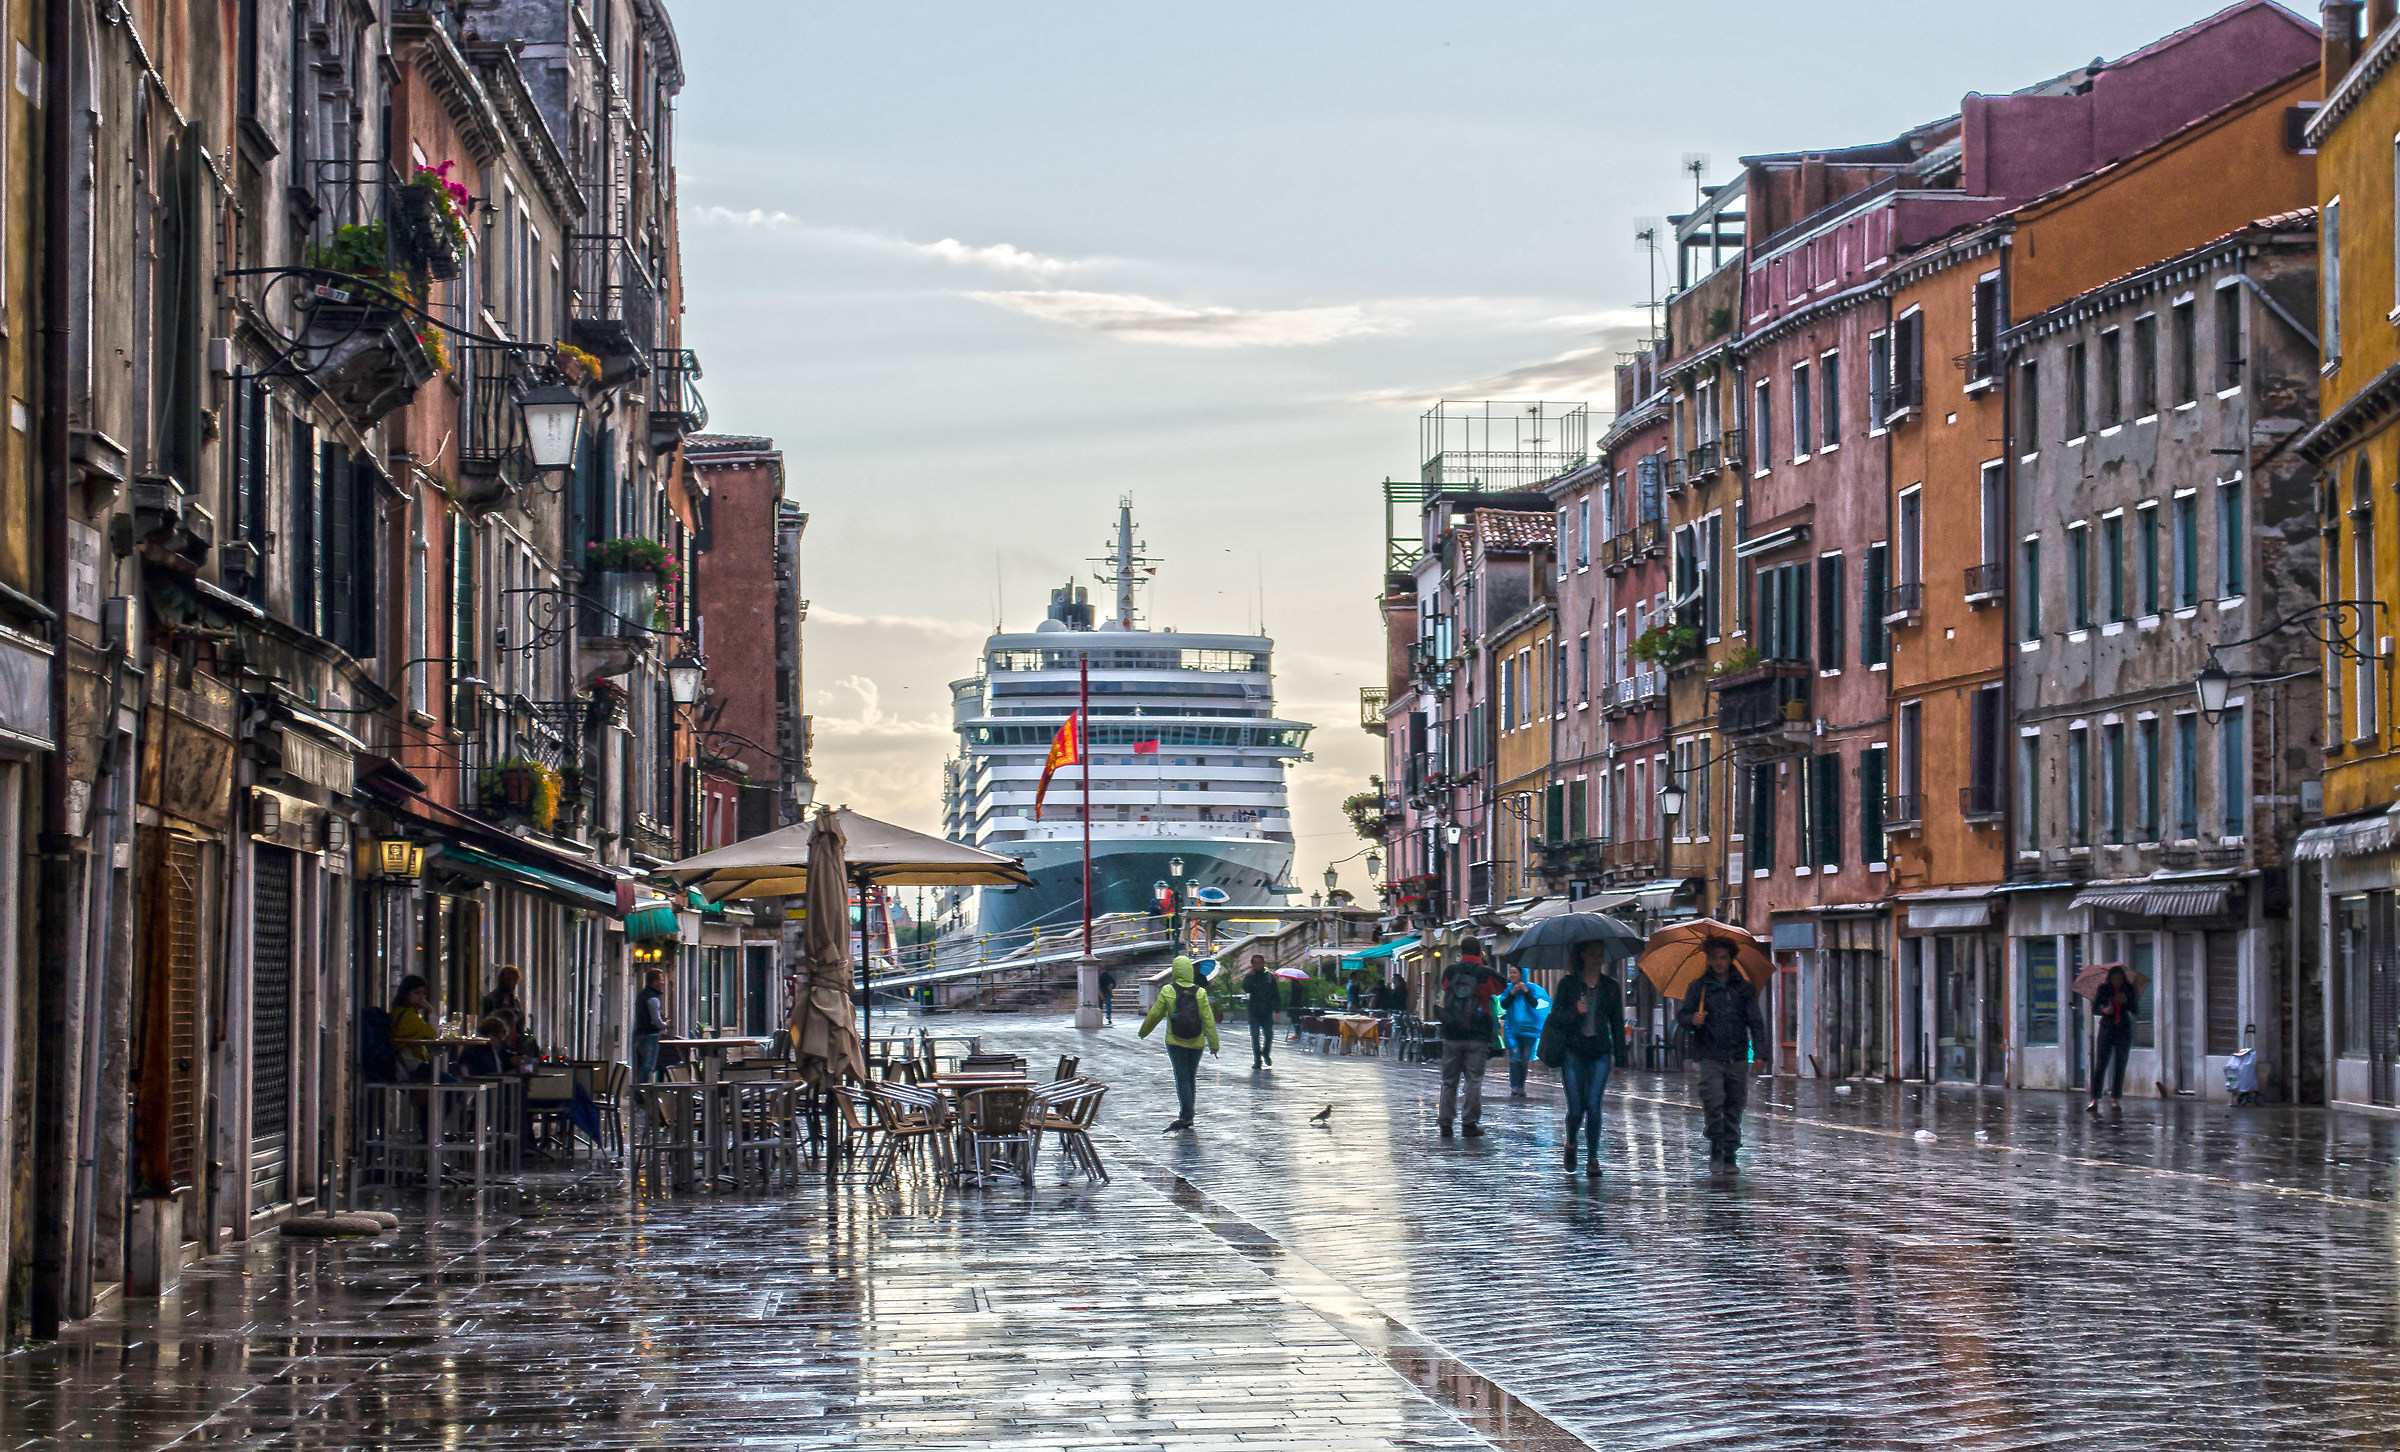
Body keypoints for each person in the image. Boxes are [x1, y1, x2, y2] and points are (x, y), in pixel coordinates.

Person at [1678, 936, 1769, 1171]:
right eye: (1714, 958)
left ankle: (1730, 1152)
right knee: (1713, 1099)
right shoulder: (1699, 988)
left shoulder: (1744, 989)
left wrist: (1760, 1053)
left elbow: (1755, 1022)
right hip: (1709, 1054)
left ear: (1730, 959)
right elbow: (1683, 1016)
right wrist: (1692, 1019)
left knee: (1734, 1104)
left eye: (1723, 958)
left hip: (1737, 1055)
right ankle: (1716, 1146)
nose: (1718, 962)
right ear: (1708, 959)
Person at [1542, 945, 1625, 1175]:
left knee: (1594, 1105)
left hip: (1599, 1053)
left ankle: (1592, 1158)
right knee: (1576, 1108)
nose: (1598, 957)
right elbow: (1556, 1018)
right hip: (1573, 1053)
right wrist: (1574, 1012)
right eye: (1593, 953)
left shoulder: (1610, 987)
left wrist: (1620, 1058)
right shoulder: (1569, 985)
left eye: (1600, 953)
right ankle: (1571, 1143)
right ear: (1582, 955)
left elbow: (1617, 1022)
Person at [1138, 954, 1219, 1130]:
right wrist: (1214, 1045)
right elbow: (1208, 1019)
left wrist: (1143, 1032)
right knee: (1191, 1077)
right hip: (1196, 1042)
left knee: (1181, 1077)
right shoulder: (1200, 992)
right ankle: (1189, 1112)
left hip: (1175, 1041)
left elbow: (1155, 1014)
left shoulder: (1168, 990)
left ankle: (1186, 1113)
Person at [1435, 940, 1506, 1138]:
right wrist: (1485, 963)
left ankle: (1446, 1123)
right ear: (1480, 952)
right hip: (1477, 1034)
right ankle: (1469, 1123)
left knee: (1449, 1080)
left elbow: (1444, 986)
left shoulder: (1450, 971)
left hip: (1452, 1033)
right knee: (1474, 1080)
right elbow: (1501, 987)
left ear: (1460, 951)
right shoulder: (1485, 973)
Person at [2088, 965, 2139, 1112]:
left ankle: (2115, 1098)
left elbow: (2135, 1010)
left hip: (2123, 1029)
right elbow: (2095, 1008)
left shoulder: (2128, 989)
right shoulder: (2103, 989)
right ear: (2110, 979)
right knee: (2101, 1064)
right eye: (2114, 979)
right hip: (2107, 1028)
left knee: (2120, 1064)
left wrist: (2126, 1001)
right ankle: (2094, 1099)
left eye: (2120, 979)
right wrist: (2105, 1010)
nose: (2117, 981)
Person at [1498, 963, 1550, 1099]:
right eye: (1510, 973)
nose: (1512, 976)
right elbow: (1504, 1004)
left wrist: (1526, 992)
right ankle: (1514, 1086)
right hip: (1512, 1030)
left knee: (1524, 1060)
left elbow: (1535, 1004)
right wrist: (1513, 993)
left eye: (1515, 973)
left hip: (1528, 1031)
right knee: (1515, 1057)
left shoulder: (1532, 988)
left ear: (1521, 974)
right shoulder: (1508, 989)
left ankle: (1521, 1086)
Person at [392, 975, 438, 1078]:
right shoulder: (407, 1016)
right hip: (411, 1067)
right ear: (406, 993)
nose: (421, 998)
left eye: (423, 994)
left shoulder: (399, 1012)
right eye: (416, 993)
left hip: (404, 1066)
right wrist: (431, 1010)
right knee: (451, 1083)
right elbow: (433, 1036)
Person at [1241, 953, 1280, 1069]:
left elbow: (1276, 994)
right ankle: (1257, 1060)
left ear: (1263, 963)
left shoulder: (1269, 977)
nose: (1258, 965)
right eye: (1255, 963)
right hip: (1254, 1011)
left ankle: (1266, 1053)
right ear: (1252, 965)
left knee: (1269, 1035)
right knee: (1255, 1036)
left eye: (1259, 963)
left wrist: (1277, 1010)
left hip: (1267, 1011)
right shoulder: (1250, 977)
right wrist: (1250, 975)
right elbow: (1245, 988)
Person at [633, 969, 670, 1083]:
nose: (663, 982)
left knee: (642, 1063)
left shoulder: (641, 995)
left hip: (639, 1034)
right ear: (655, 982)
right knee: (649, 1065)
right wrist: (665, 1024)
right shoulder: (653, 999)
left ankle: (640, 1089)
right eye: (661, 979)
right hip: (650, 1035)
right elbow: (656, 1020)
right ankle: (641, 1091)